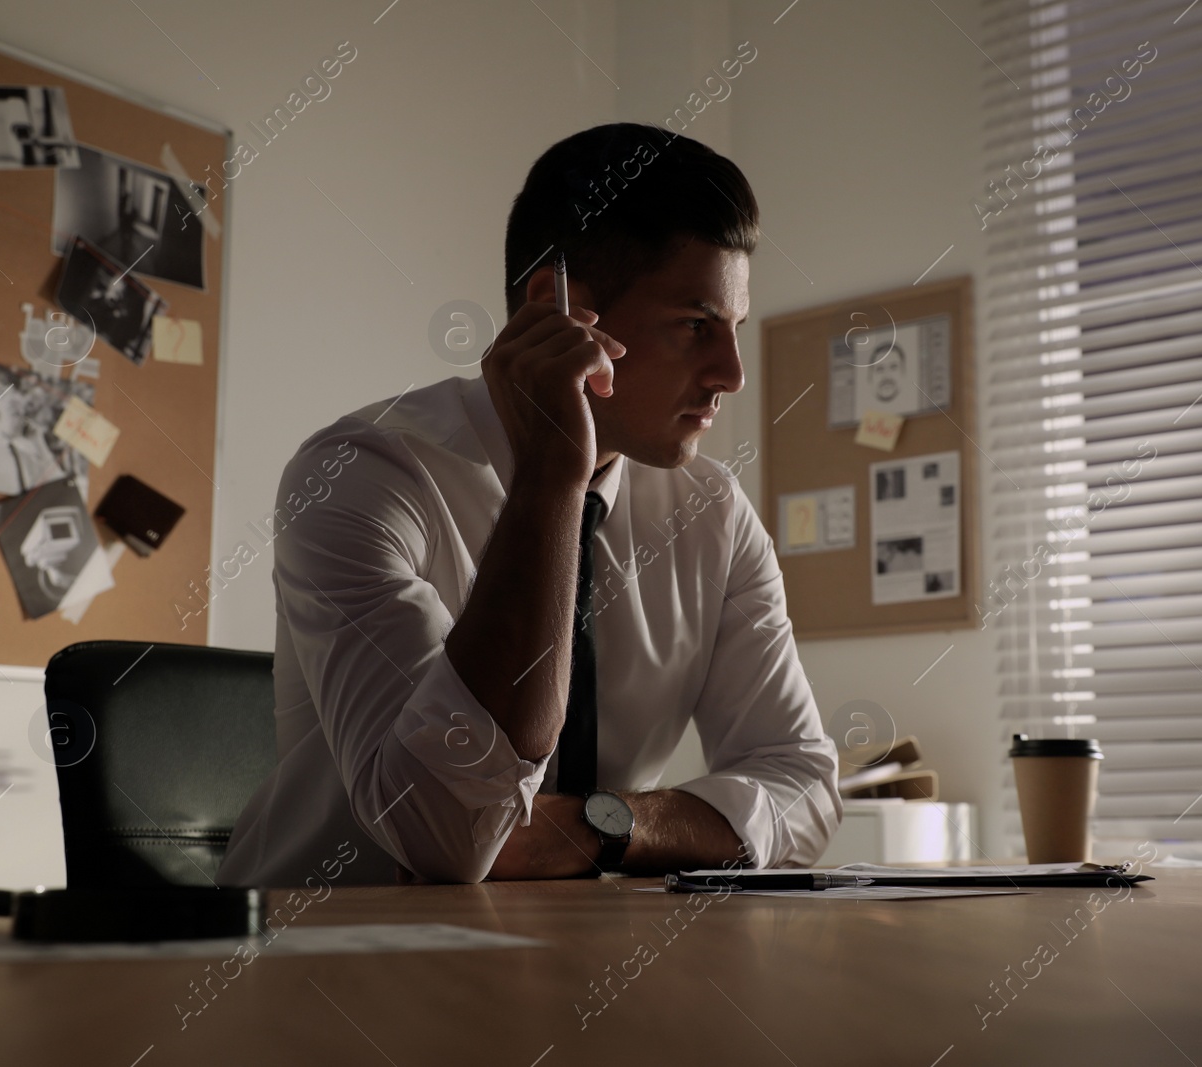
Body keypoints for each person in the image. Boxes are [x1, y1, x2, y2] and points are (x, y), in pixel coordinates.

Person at [218, 124, 840, 887]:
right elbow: (445, 834)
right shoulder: (361, 473)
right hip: (327, 954)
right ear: (560, 307)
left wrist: (596, 827)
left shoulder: (711, 511)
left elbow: (804, 788)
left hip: (572, 949)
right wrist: (551, 479)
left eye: (735, 329)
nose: (732, 374)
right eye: (694, 326)